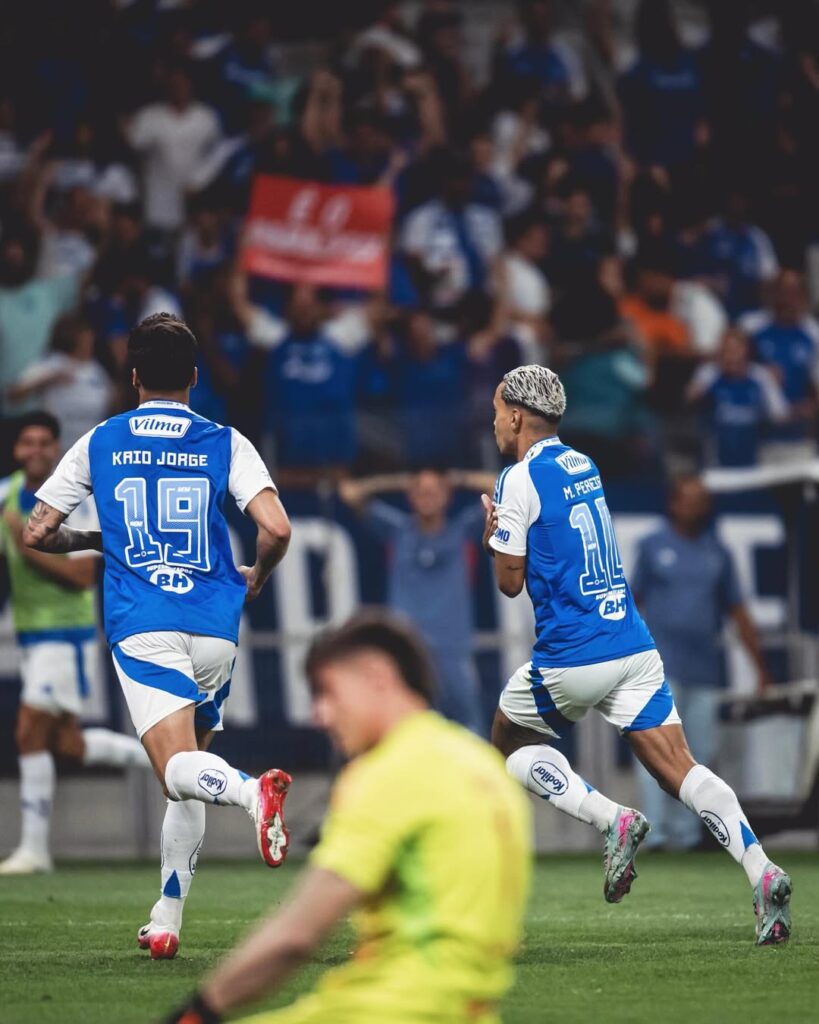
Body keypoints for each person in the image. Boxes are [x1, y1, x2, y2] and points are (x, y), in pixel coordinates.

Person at [482, 364, 792, 945]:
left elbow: (508, 582)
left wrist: (493, 534)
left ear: (518, 416)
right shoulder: (584, 465)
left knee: (509, 740)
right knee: (681, 765)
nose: (495, 420)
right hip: (632, 644)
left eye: (498, 410)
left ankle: (612, 820)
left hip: (573, 651)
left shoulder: (515, 480)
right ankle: (762, 871)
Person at [22, 313, 293, 959]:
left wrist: (93, 537)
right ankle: (167, 916)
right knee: (186, 770)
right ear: (195, 378)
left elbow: (38, 530)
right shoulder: (225, 440)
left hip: (145, 624)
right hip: (215, 627)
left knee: (178, 771)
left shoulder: (100, 440)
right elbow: (276, 529)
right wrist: (258, 576)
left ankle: (253, 792)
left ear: (133, 375)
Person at [162, 610, 531, 1024]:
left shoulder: (386, 773)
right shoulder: (483, 765)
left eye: (326, 691)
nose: (319, 715)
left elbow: (297, 936)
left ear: (377, 676)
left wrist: (198, 1011)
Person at [0, 412, 150, 875]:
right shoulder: (6, 494)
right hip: (29, 634)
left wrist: (24, 543)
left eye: (46, 442)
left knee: (28, 731)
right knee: (66, 743)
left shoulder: (75, 500)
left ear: (57, 447)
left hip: (66, 635)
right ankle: (165, 756)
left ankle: (35, 850)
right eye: (28, 442)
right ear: (17, 450)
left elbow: (86, 573)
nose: (37, 450)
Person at [631, 476, 774, 849]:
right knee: (656, 749)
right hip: (659, 667)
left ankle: (687, 836)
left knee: (699, 755)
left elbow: (738, 611)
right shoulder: (652, 546)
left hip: (706, 669)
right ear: (673, 503)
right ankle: (655, 834)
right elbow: (633, 603)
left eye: (702, 500)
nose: (697, 506)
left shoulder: (718, 552)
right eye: (689, 499)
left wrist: (760, 667)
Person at [338, 468, 496, 734]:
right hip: (407, 653)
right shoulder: (398, 531)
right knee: (403, 729)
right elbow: (349, 493)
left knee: (470, 731)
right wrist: (400, 481)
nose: (428, 496)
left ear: (448, 496)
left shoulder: (461, 531)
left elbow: (497, 487)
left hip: (452, 653)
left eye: (435, 491)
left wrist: (457, 479)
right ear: (410, 496)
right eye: (420, 492)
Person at [686, 327, 789, 467]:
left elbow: (780, 414)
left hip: (753, 455)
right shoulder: (708, 373)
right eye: (725, 349)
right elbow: (689, 399)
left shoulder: (761, 376)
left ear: (746, 350)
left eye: (735, 349)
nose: (730, 355)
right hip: (716, 457)